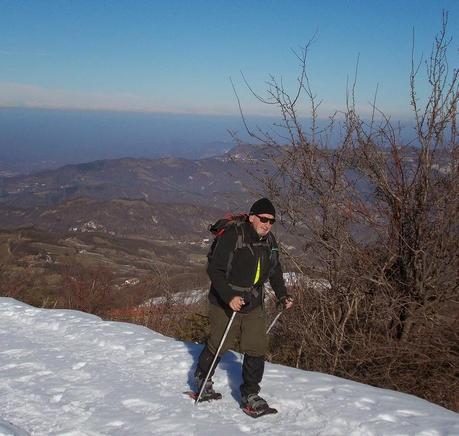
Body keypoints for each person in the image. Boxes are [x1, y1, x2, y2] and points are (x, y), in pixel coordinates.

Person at [194, 197, 293, 412]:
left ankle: (250, 393)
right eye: (263, 219)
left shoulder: (270, 241)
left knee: (256, 346)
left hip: (254, 300)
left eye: (271, 221)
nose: (267, 224)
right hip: (225, 298)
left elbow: (275, 270)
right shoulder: (233, 236)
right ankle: (203, 377)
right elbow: (215, 270)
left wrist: (282, 295)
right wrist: (229, 296)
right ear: (252, 218)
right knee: (221, 341)